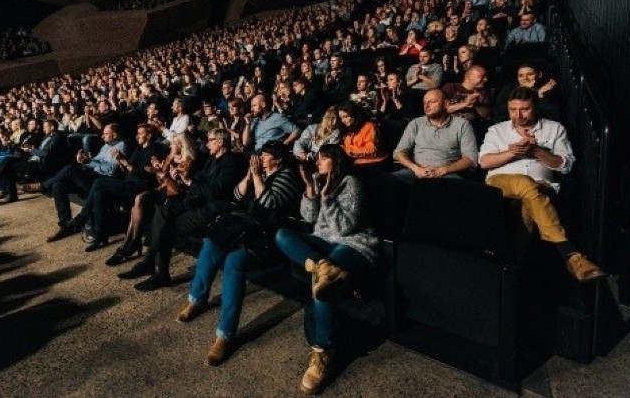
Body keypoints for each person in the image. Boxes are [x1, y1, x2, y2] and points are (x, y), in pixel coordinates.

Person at [174, 140, 302, 366]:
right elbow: (235, 196)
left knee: (234, 263)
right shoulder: (258, 172)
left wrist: (258, 178)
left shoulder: (288, 177)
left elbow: (268, 202)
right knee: (211, 243)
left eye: (265, 156)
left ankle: (225, 335)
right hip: (244, 227)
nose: (260, 159)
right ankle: (197, 299)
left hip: (268, 236)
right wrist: (249, 178)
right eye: (260, 155)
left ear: (278, 159)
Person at [274, 144, 378, 395]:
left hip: (353, 245)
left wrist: (329, 197)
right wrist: (311, 190)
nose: (318, 163)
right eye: (317, 158)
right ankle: (323, 268)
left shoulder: (351, 183)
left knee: (323, 288)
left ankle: (322, 351)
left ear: (336, 161)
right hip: (323, 244)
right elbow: (310, 220)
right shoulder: (320, 183)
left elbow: (344, 228)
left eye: (323, 158)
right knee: (281, 235)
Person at [479, 87, 605, 282]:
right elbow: (484, 162)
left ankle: (509, 275)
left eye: (524, 109)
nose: (518, 115)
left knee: (525, 207)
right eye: (513, 110)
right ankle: (571, 254)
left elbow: (566, 165)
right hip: (500, 183)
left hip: (541, 185)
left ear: (535, 108)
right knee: (525, 183)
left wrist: (537, 151)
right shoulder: (497, 130)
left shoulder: (554, 128)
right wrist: (514, 152)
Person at [118, 128, 244, 291]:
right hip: (197, 202)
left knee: (166, 225)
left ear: (220, 142)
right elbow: (199, 180)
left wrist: (190, 181)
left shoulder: (231, 162)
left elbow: (215, 192)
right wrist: (182, 177)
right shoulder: (213, 159)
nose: (207, 144)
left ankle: (154, 268)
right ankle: (151, 265)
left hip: (212, 210)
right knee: (164, 211)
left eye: (210, 140)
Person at [104, 132, 198, 265]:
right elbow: (161, 181)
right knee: (137, 202)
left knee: (140, 200)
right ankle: (131, 242)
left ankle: (131, 244)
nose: (171, 145)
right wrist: (157, 169)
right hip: (164, 190)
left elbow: (178, 188)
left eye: (173, 143)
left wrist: (160, 173)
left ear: (181, 145)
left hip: (177, 195)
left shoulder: (187, 161)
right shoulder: (170, 157)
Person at [30, 123, 129, 243]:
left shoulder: (121, 146)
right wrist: (85, 160)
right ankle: (66, 225)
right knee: (58, 186)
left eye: (106, 133)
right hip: (92, 175)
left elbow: (111, 170)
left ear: (115, 134)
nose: (102, 136)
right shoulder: (105, 146)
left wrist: (90, 163)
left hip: (103, 181)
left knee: (69, 169)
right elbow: (96, 161)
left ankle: (43, 185)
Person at [391, 89, 478, 184]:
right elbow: (399, 152)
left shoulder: (462, 124)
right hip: (415, 172)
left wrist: (441, 171)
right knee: (389, 182)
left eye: (432, 102)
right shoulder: (416, 123)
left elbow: (471, 158)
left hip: (447, 174)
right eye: (424, 103)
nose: (426, 106)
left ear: (446, 103)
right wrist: (416, 169)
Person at [492, 62, 561, 124]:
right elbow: (497, 113)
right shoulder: (508, 89)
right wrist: (526, 90)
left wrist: (541, 96)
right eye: (521, 75)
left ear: (539, 74)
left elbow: (554, 117)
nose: (525, 78)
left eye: (530, 74)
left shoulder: (546, 90)